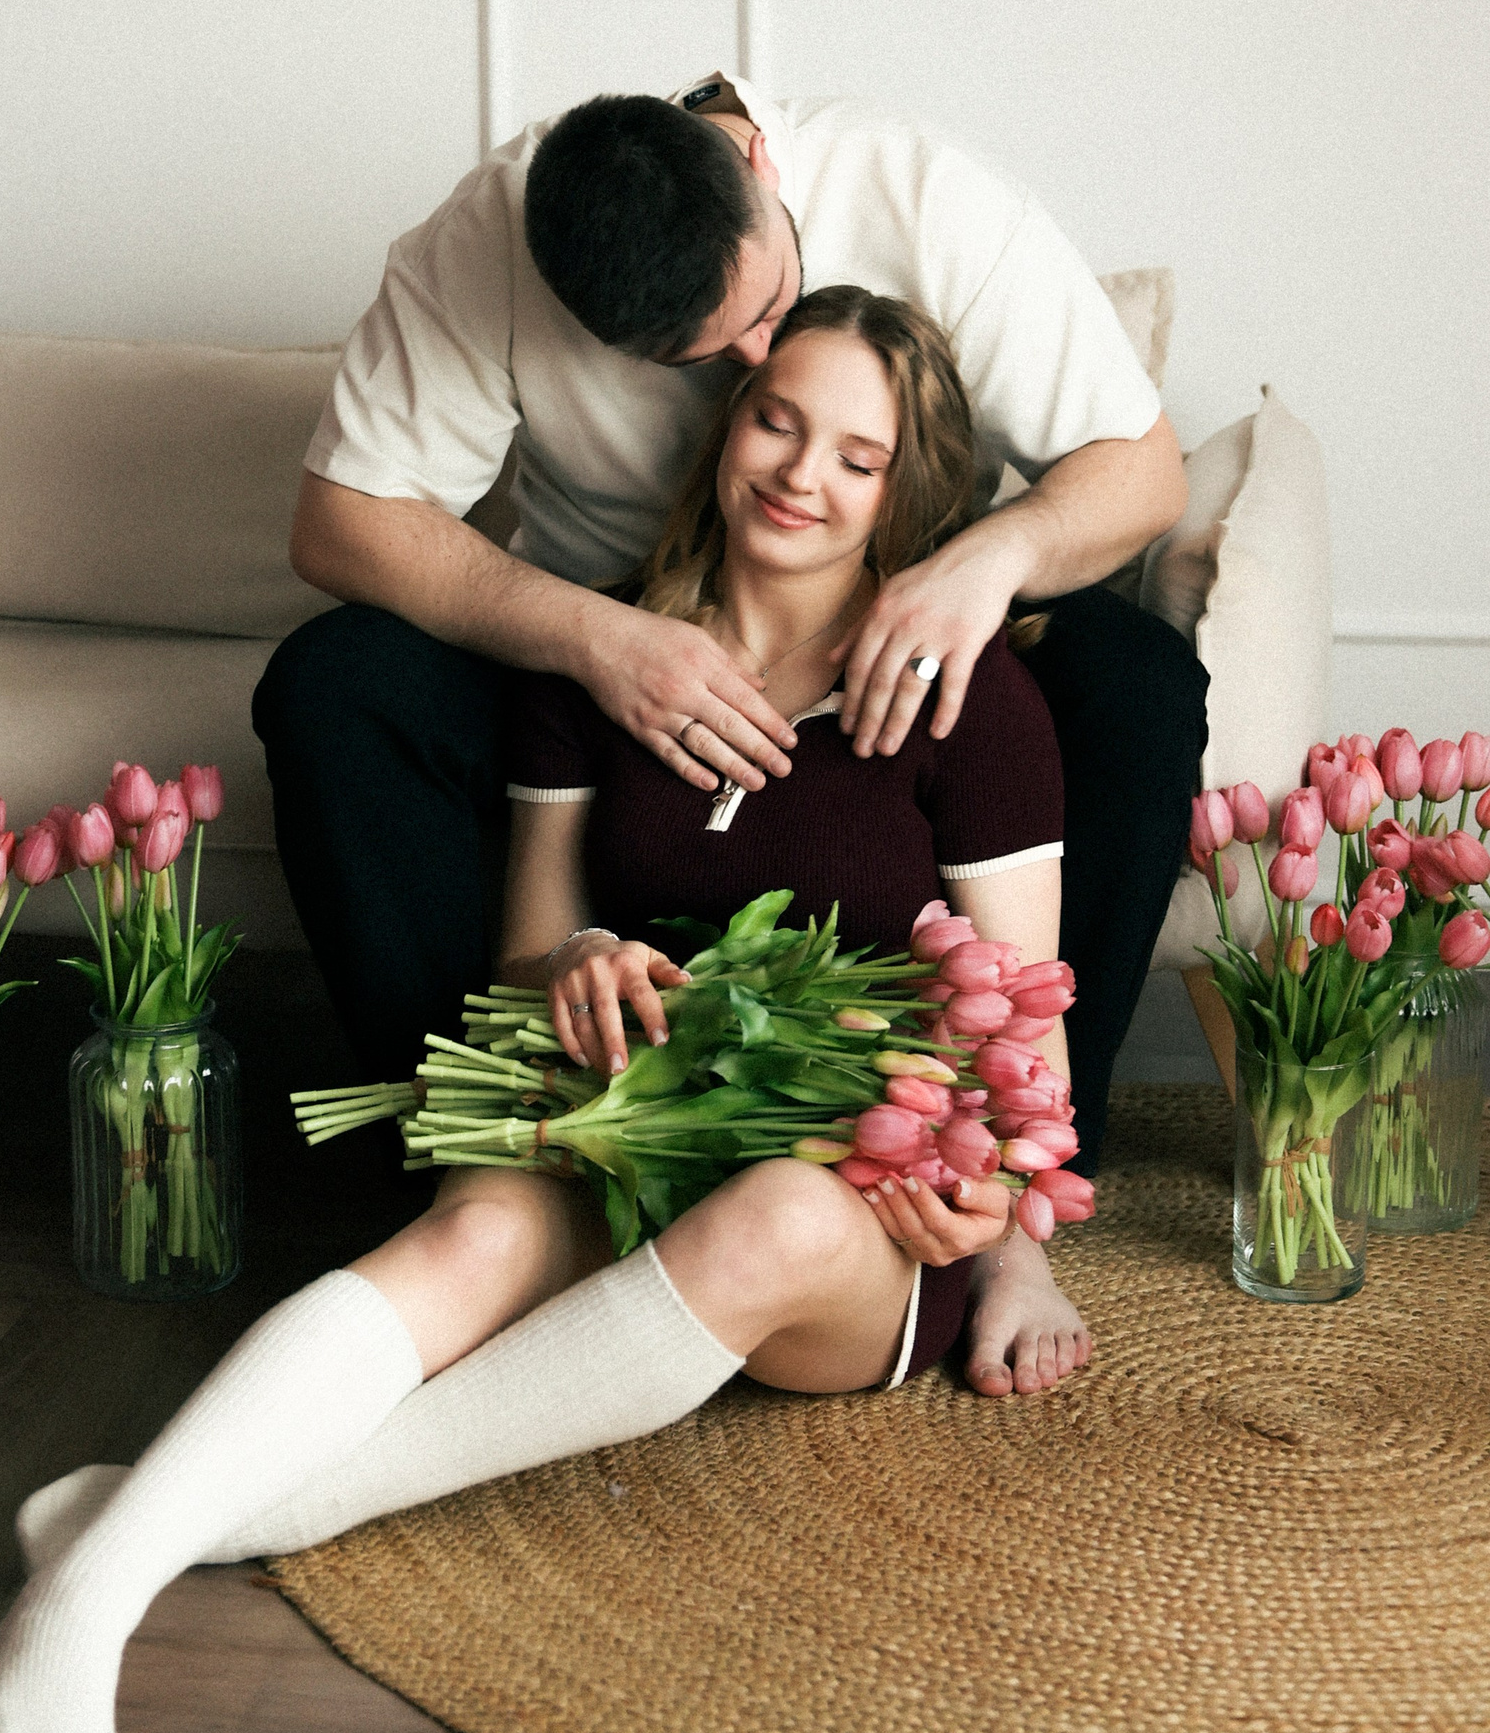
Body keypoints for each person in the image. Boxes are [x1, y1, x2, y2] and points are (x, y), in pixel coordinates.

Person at [0, 292, 1085, 1733]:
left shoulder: (967, 696)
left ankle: (158, 1537)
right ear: (729, 424)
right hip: (619, 1110)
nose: (800, 474)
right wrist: (577, 963)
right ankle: (89, 1593)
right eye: (778, 421)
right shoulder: (602, 660)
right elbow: (527, 948)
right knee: (472, 1236)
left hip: (848, 1196)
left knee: (771, 1215)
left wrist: (1016, 1240)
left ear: (906, 492)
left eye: (858, 455)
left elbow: (1021, 1024)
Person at [257, 75, 1205, 1226]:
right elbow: (339, 521)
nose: (761, 357)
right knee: (332, 685)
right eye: (707, 361)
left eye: (772, 305)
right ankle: (486, 1159)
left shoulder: (931, 199)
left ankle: (1017, 1186)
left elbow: (1144, 471)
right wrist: (597, 636)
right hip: (600, 644)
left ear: (758, 162)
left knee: (1139, 684)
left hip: (906, 626)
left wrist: (981, 565)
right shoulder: (479, 246)